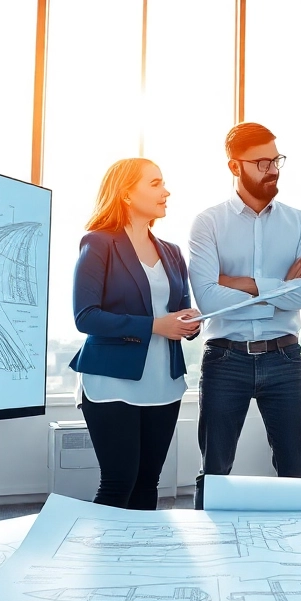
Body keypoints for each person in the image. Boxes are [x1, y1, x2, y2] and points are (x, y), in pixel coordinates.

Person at [188, 122, 301, 507]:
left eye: (276, 159)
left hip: (284, 359)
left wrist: (245, 284)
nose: (273, 169)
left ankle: (296, 555)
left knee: (295, 471)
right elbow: (209, 300)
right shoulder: (209, 222)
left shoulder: (299, 222)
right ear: (235, 167)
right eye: (262, 162)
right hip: (225, 358)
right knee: (214, 471)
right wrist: (282, 287)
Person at [70, 158, 200, 510]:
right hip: (112, 382)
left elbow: (179, 311)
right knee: (118, 482)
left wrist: (188, 323)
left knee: (147, 484)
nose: (166, 191)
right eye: (155, 183)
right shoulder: (98, 243)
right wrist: (156, 325)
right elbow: (86, 316)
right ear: (127, 193)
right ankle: (101, 563)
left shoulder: (172, 253)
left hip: (164, 383)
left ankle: (138, 560)